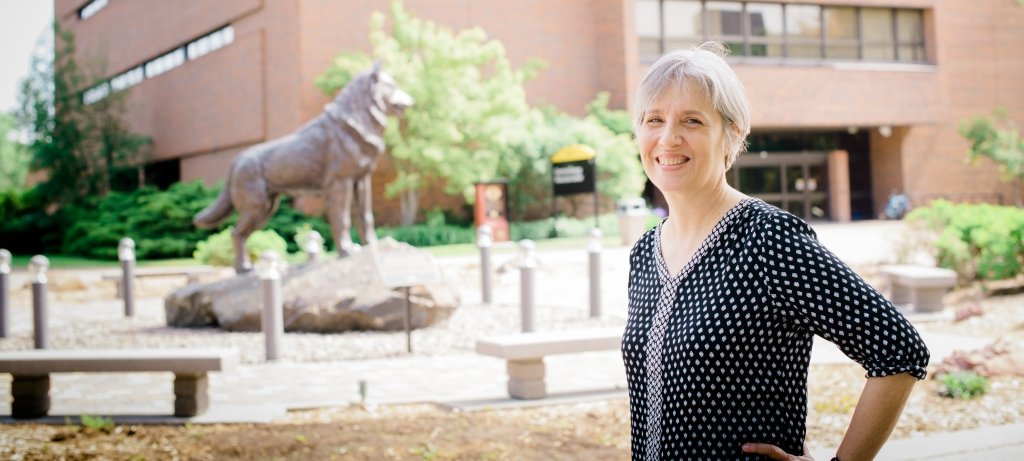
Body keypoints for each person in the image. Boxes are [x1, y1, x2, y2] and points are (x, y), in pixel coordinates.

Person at [622, 42, 930, 461]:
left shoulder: (768, 240)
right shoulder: (644, 252)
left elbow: (898, 349)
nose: (668, 137)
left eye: (692, 120)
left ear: (733, 134)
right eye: (653, 119)